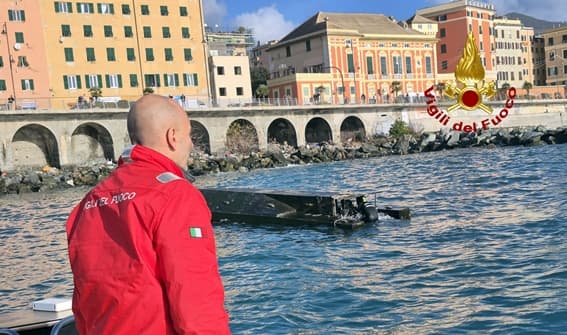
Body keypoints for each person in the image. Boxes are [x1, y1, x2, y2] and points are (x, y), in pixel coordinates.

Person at [66, 94, 230, 334]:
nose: (191, 145)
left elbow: (83, 301)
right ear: (172, 137)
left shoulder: (89, 202)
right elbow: (195, 298)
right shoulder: (175, 195)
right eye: (188, 136)